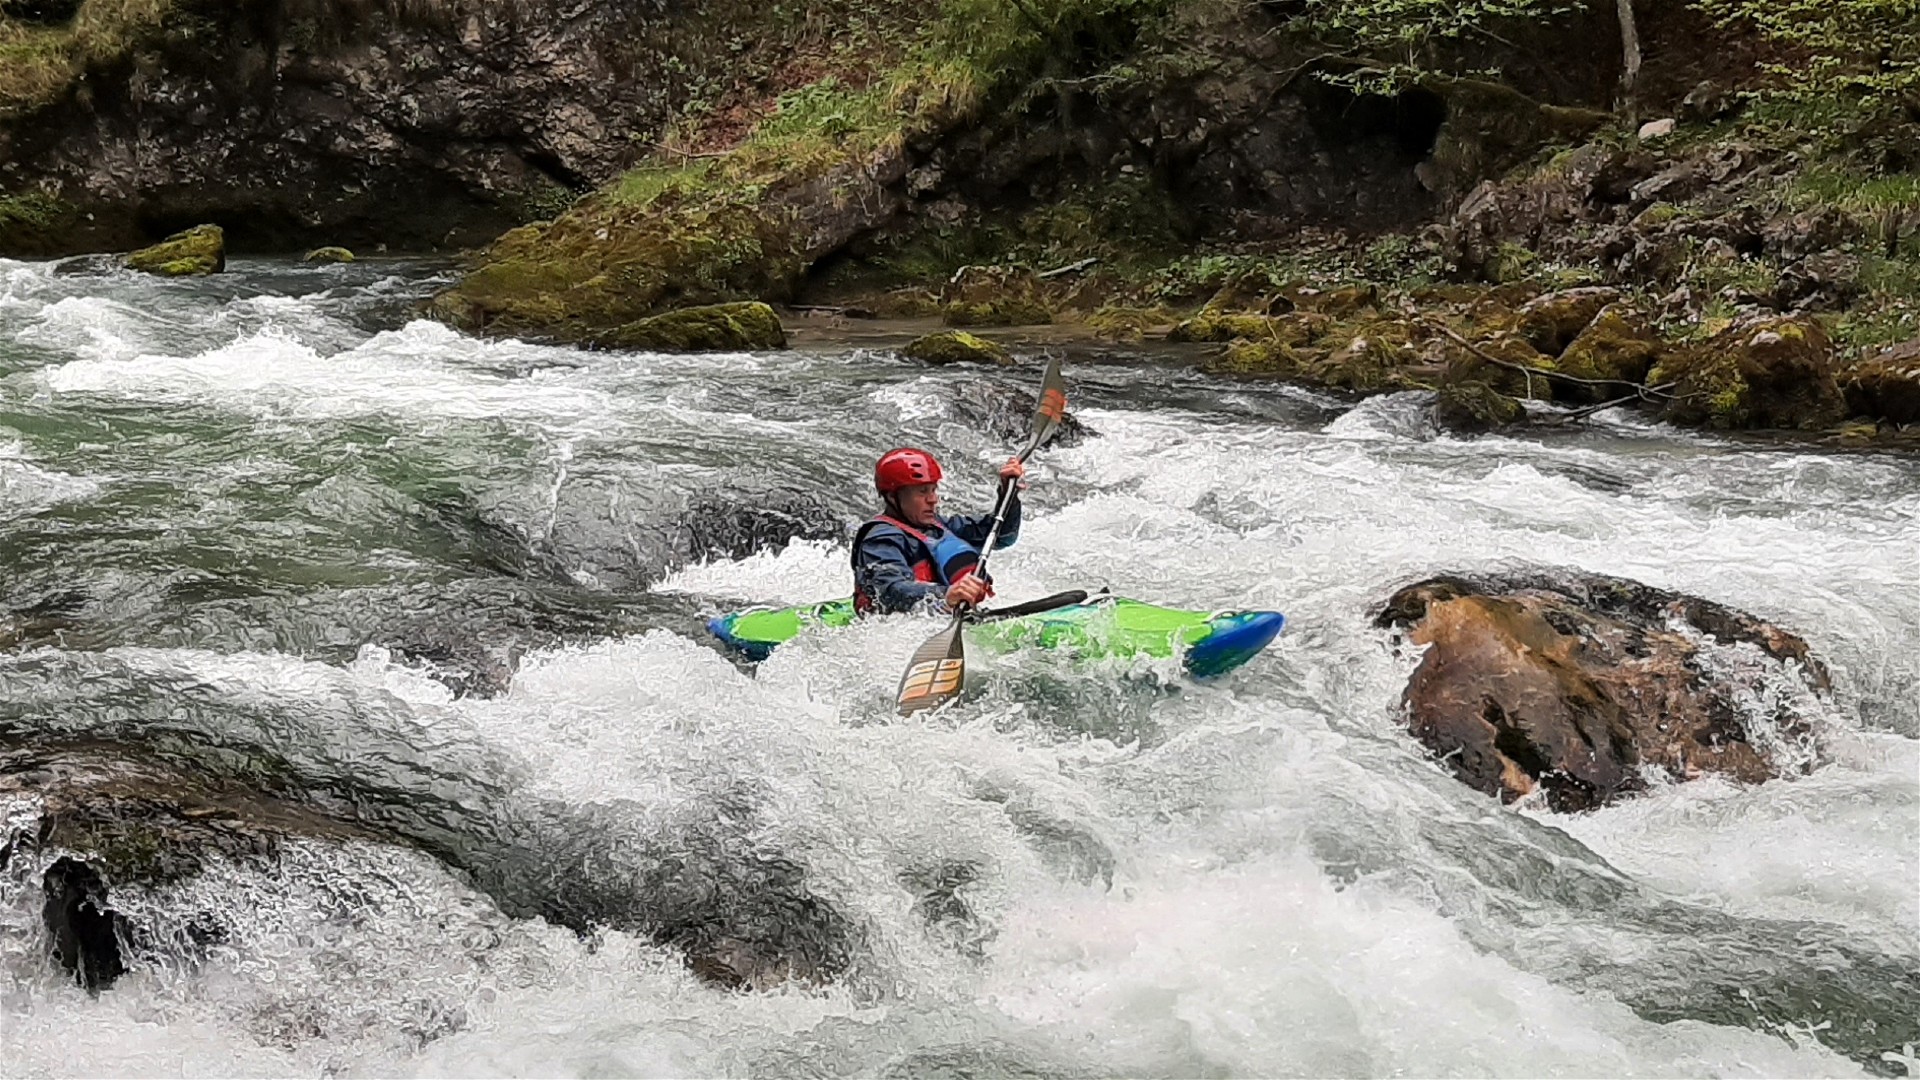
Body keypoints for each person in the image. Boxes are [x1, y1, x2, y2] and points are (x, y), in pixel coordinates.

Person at [852, 447, 1026, 615]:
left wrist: (1008, 493)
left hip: (948, 615)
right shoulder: (880, 540)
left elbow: (1003, 536)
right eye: (922, 492)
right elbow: (888, 590)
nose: (933, 500)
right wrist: (945, 595)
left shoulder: (938, 526)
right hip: (898, 628)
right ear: (892, 497)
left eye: (933, 490)